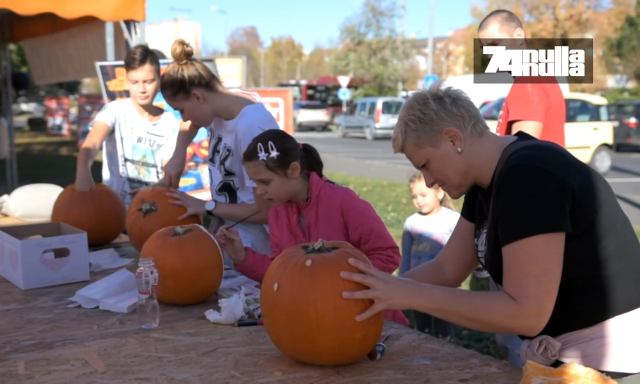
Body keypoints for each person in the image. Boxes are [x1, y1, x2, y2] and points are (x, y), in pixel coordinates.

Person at [339, 84, 640, 382]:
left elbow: (527, 313)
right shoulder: (485, 182)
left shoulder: (529, 174)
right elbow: (448, 268)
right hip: (571, 361)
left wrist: (412, 295)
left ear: (454, 138)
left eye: (426, 165)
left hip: (613, 364)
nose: (428, 181)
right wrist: (378, 292)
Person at [214, 129, 410, 326]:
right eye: (255, 183)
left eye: (265, 182)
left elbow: (387, 255)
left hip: (371, 321)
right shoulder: (277, 213)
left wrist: (340, 281)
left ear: (293, 170)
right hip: (319, 321)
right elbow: (283, 273)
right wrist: (242, 257)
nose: (260, 191)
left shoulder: (343, 201)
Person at [158, 39, 278, 267]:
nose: (183, 118)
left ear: (197, 96)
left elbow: (268, 211)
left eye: (181, 110)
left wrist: (206, 206)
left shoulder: (252, 127)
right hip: (232, 236)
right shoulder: (221, 104)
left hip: (256, 250)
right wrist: (179, 153)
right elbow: (188, 126)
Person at [76, 44, 184, 208]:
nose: (141, 89)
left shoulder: (169, 122)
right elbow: (91, 144)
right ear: (126, 81)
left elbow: (168, 172)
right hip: (113, 210)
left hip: (153, 210)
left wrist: (154, 188)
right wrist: (83, 170)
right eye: (134, 82)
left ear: (159, 80)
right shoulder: (114, 110)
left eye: (148, 81)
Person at [478, 9, 566, 148]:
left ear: (519, 36)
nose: (490, 55)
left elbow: (524, 156)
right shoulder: (540, 73)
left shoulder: (527, 81)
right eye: (485, 49)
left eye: (495, 44)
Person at [400, 171, 460, 340]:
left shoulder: (453, 220)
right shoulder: (411, 223)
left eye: (423, 195)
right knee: (422, 327)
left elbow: (461, 253)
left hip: (443, 287)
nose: (419, 200)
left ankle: (447, 357)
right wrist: (402, 280)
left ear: (439, 192)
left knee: (444, 328)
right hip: (417, 285)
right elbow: (406, 256)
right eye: (414, 196)